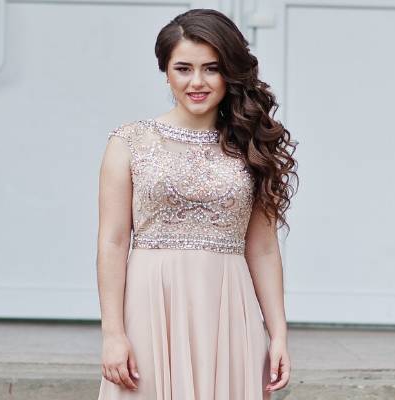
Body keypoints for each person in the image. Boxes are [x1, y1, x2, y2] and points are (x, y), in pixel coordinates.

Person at [95, 9, 298, 399]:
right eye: (184, 68)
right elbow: (113, 242)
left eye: (211, 68)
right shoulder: (129, 142)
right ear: (166, 71)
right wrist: (113, 333)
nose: (197, 82)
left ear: (230, 73)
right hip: (151, 305)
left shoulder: (250, 147)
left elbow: (264, 248)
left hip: (229, 307)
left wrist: (279, 334)